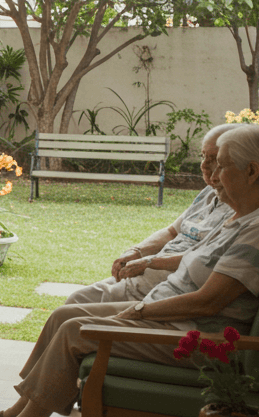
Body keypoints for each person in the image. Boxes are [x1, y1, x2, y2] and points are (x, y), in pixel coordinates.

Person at [0, 126, 259, 417]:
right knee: (65, 314)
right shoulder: (245, 216)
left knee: (74, 331)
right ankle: (19, 413)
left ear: (252, 172)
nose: (213, 175)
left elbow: (208, 302)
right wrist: (145, 294)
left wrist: (141, 311)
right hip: (173, 317)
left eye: (222, 165)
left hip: (192, 334)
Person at [64, 123, 245, 305]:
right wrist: (137, 252)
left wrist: (149, 262)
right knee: (77, 301)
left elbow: (206, 258)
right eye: (203, 156)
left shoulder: (241, 208)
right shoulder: (209, 192)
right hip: (142, 279)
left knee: (76, 303)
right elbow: (172, 232)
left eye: (214, 160)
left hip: (164, 290)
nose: (204, 165)